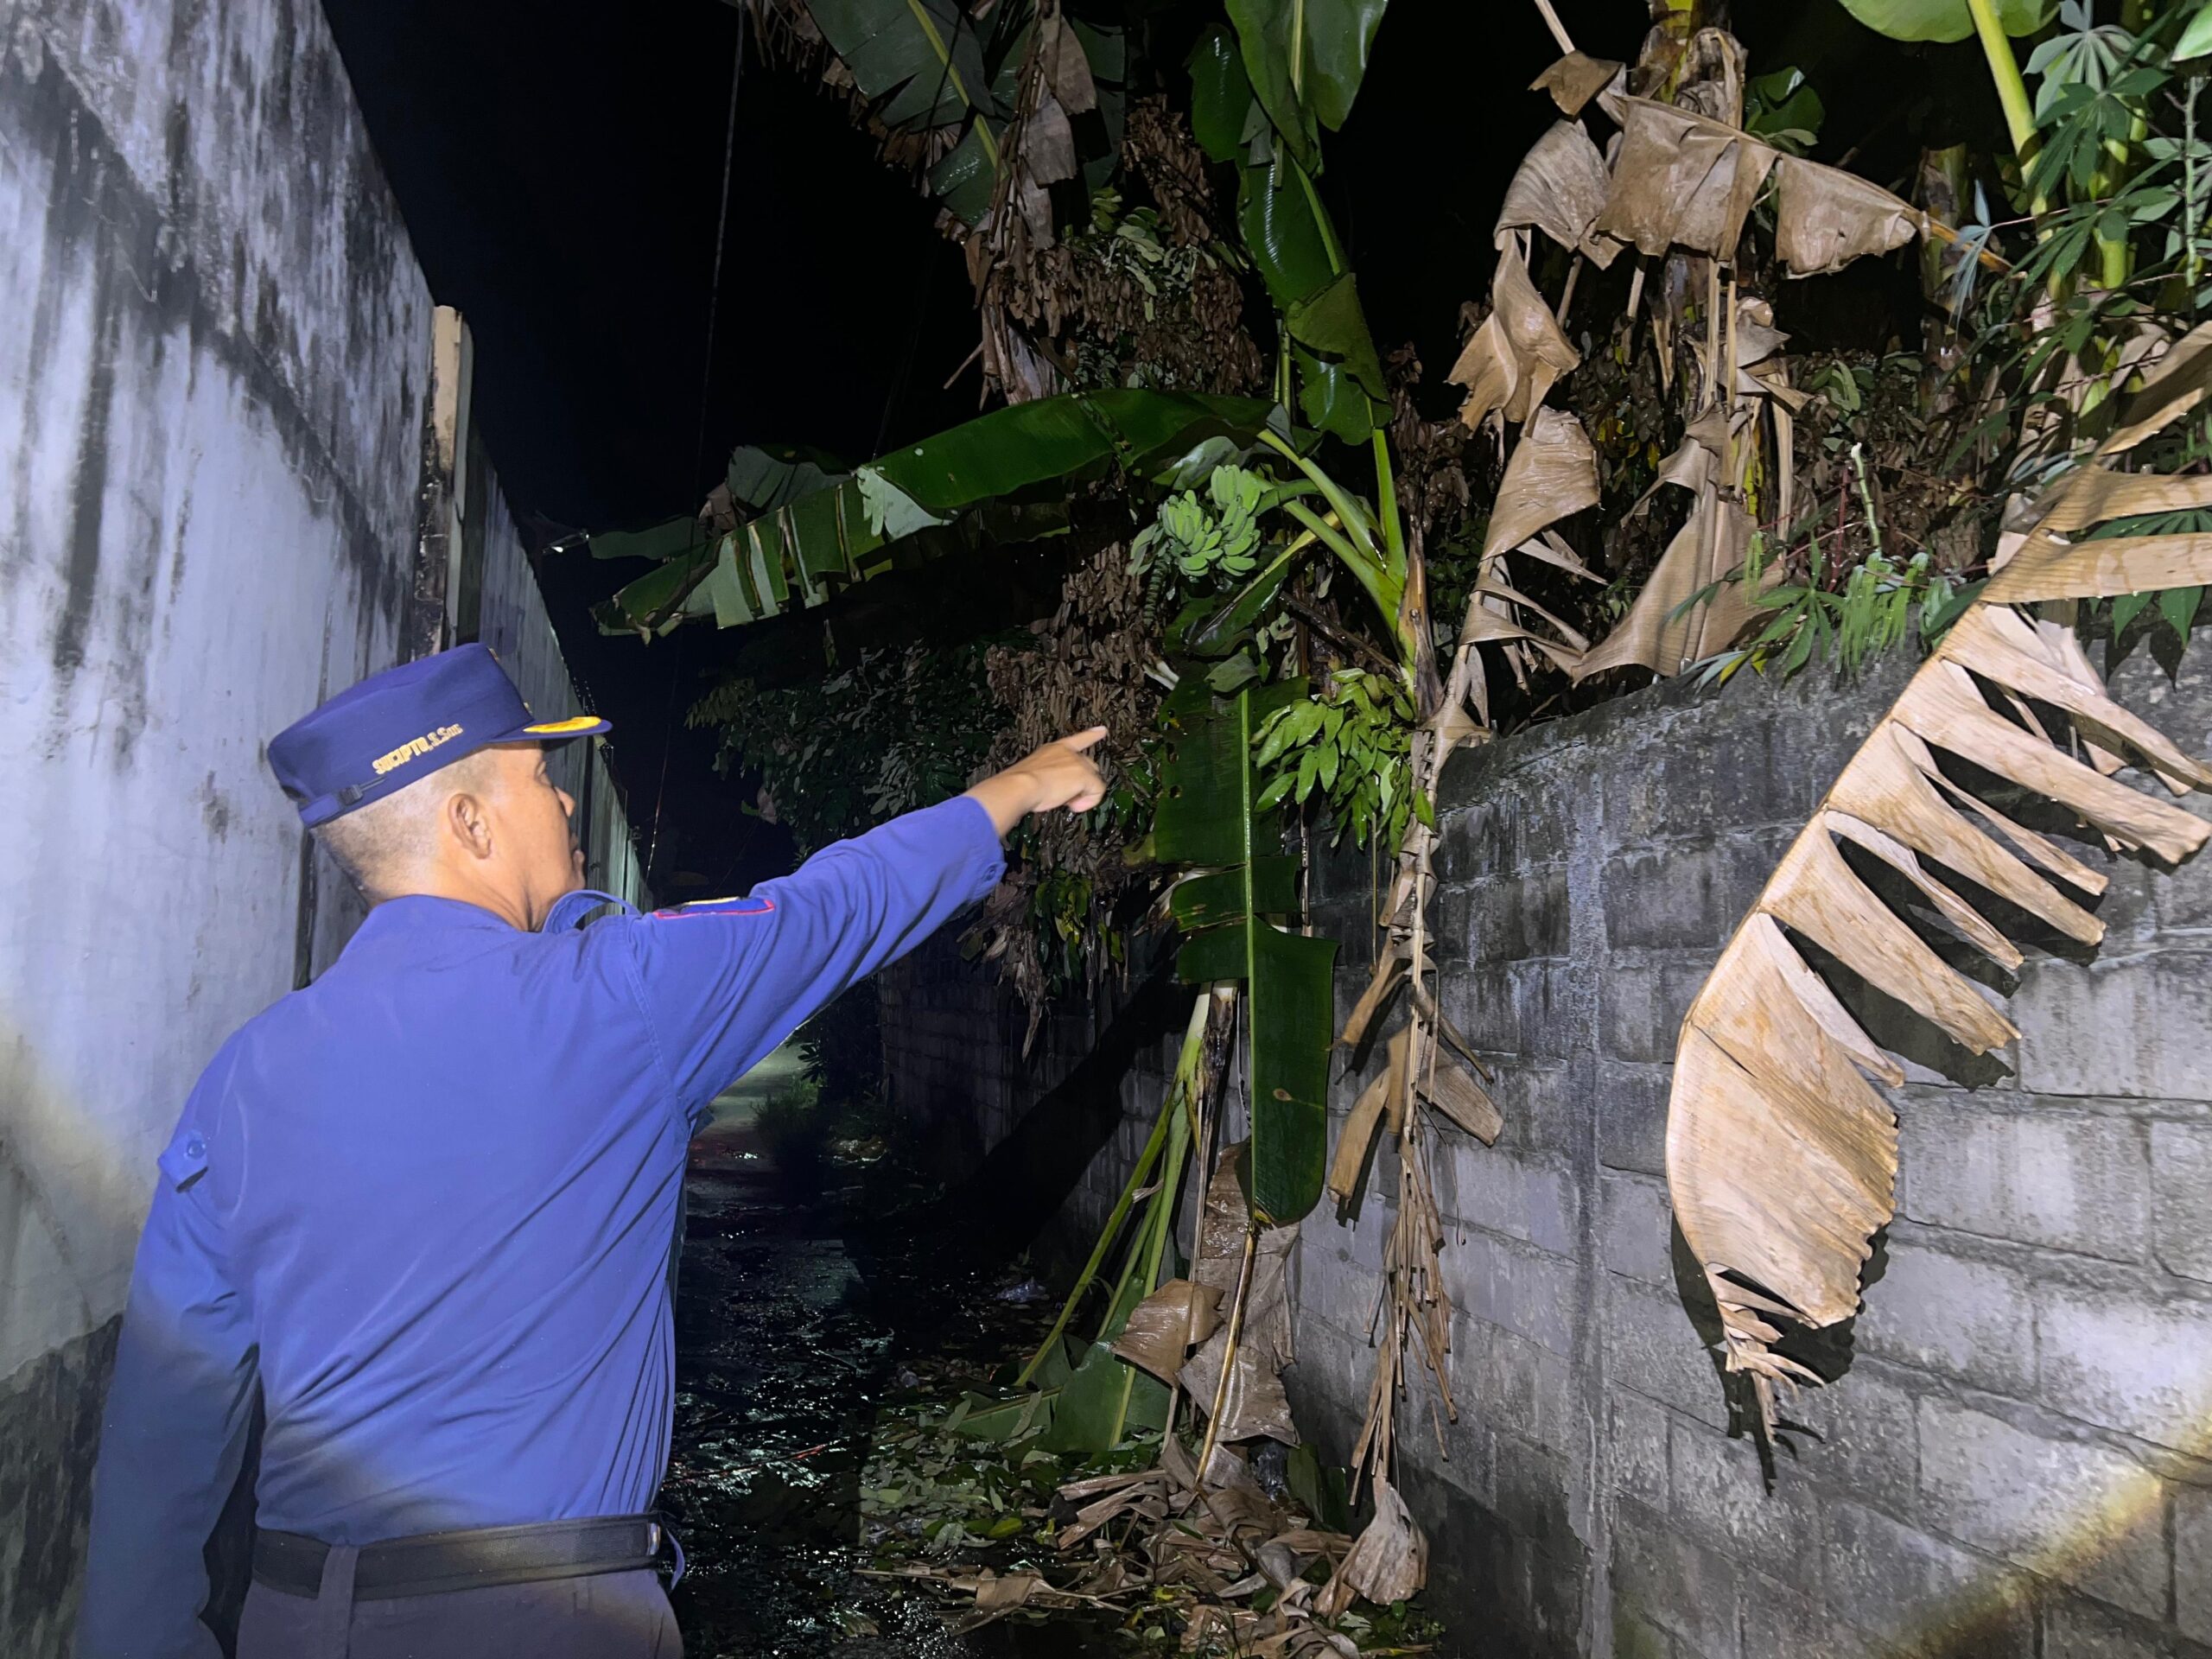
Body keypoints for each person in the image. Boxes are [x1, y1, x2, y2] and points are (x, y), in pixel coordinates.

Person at [76, 643, 1105, 1659]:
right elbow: (830, 910)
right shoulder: (616, 999)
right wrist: (1011, 789)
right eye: (539, 778)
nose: (566, 804)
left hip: (296, 1618)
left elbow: (164, 1420)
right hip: (540, 1618)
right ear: (468, 822)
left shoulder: (244, 1076)